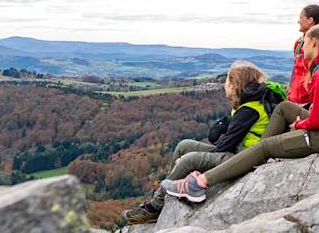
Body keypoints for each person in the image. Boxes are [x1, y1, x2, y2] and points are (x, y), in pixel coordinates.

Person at [159, 24, 319, 202]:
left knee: (265, 148)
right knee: (284, 108)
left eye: (304, 44)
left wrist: (300, 125)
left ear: (313, 42)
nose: (301, 48)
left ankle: (199, 184)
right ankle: (258, 152)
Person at [120, 62, 283, 225]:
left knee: (188, 159)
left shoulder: (249, 110)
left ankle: (153, 209)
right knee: (184, 146)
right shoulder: (247, 105)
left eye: (227, 82)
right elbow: (223, 139)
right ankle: (167, 194)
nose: (224, 85)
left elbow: (224, 146)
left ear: (235, 86)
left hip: (243, 158)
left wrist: (193, 161)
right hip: (236, 151)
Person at [290, 4, 319, 106]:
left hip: (312, 100)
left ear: (310, 20)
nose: (298, 21)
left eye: (301, 18)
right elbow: (295, 70)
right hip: (296, 99)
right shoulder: (299, 43)